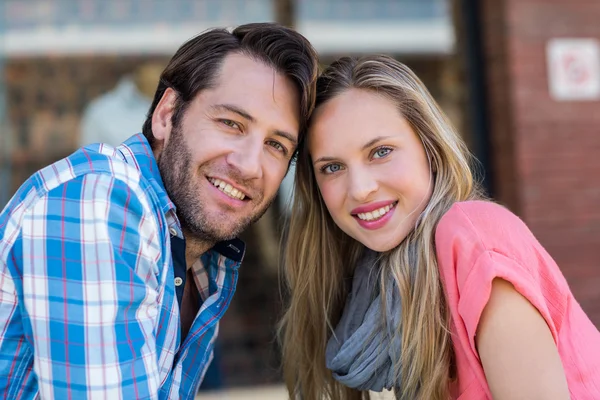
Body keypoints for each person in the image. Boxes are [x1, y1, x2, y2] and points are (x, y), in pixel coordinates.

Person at [0, 23, 318, 399]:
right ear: (167, 115)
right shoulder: (98, 201)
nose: (250, 165)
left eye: (276, 145)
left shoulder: (199, 263)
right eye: (231, 123)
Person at [279, 55, 600, 400]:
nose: (359, 188)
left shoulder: (473, 235)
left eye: (381, 151)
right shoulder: (372, 288)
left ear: (429, 149)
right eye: (332, 167)